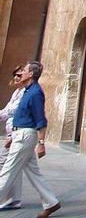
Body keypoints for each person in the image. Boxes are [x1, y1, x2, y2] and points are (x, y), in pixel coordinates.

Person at [0, 61, 60, 218]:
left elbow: (41, 120)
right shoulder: (26, 91)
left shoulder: (35, 93)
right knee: (34, 173)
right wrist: (12, 135)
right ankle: (51, 202)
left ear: (31, 74)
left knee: (8, 171)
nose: (20, 74)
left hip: (25, 136)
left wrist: (41, 144)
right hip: (19, 135)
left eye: (24, 71)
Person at [0, 68, 25, 211]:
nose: (16, 77)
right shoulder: (16, 93)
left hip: (19, 133)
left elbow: (14, 111)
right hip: (14, 132)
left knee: (5, 163)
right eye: (14, 74)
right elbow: (6, 111)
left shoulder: (26, 93)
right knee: (17, 166)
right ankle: (14, 199)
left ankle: (12, 198)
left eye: (19, 75)